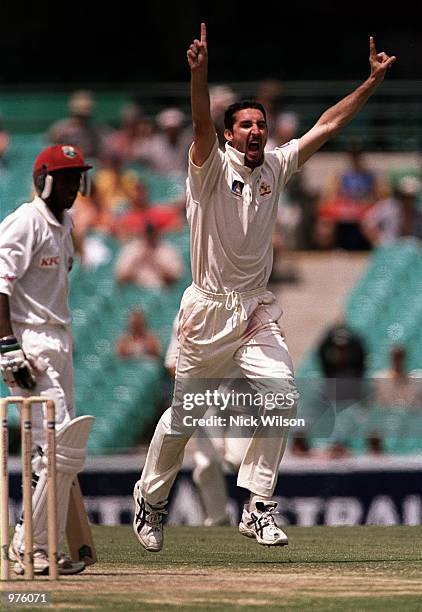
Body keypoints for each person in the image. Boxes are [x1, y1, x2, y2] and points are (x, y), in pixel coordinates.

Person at [132, 23, 396, 551]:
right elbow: (201, 125)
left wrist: (369, 84)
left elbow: (326, 127)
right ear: (230, 135)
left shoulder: (275, 165)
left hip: (254, 310)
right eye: (246, 125)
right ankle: (151, 499)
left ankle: (257, 504)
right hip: (207, 310)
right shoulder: (207, 169)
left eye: (261, 124)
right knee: (184, 416)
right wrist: (199, 72)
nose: (256, 131)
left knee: (281, 394)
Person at [0, 144, 93, 575]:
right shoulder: (25, 221)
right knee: (56, 447)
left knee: (61, 452)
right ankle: (26, 547)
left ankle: (38, 549)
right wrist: (8, 345)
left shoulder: (65, 223)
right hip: (30, 341)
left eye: (78, 178)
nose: (73, 186)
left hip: (59, 338)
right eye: (66, 178)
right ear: (45, 180)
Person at [114, 221, 184, 289]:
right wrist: (138, 258)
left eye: (152, 233)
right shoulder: (131, 249)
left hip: (161, 291)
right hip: (135, 291)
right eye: (147, 233)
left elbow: (176, 276)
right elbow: (120, 276)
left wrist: (155, 259)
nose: (149, 236)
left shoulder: (167, 249)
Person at [362, 175, 422, 246]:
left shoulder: (419, 213)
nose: (408, 199)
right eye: (405, 196)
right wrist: (378, 242)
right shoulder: (387, 206)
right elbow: (367, 224)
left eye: (411, 196)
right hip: (388, 249)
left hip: (411, 251)